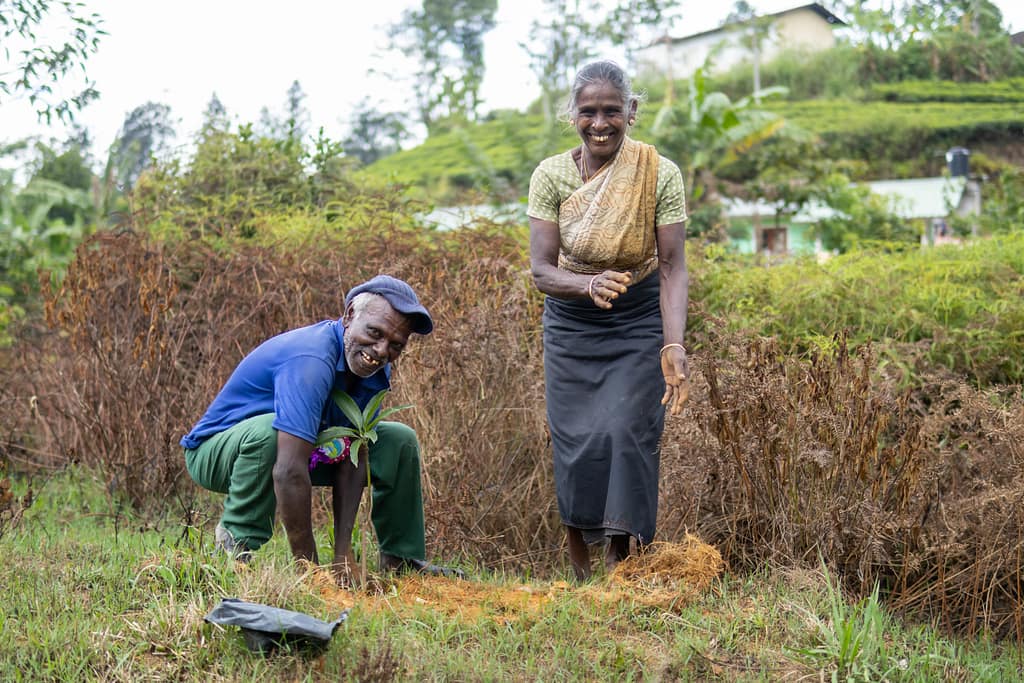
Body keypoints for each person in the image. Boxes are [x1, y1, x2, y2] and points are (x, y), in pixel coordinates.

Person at [181, 274, 459, 583]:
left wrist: (343, 556)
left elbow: (354, 451)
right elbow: (288, 469)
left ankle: (401, 559)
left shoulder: (372, 366)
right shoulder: (312, 358)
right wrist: (310, 570)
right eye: (374, 332)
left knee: (398, 440)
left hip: (299, 451)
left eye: (396, 345)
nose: (381, 351)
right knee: (269, 432)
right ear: (349, 316)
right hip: (218, 454)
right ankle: (235, 546)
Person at [527, 60, 690, 581]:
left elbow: (672, 266)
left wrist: (673, 344)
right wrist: (587, 285)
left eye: (612, 111)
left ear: (631, 112)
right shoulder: (551, 175)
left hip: (637, 320)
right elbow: (541, 270)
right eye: (589, 112)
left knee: (627, 431)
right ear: (572, 114)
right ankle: (579, 570)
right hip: (572, 325)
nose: (600, 124)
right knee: (576, 440)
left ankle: (622, 564)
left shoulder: (659, 173)